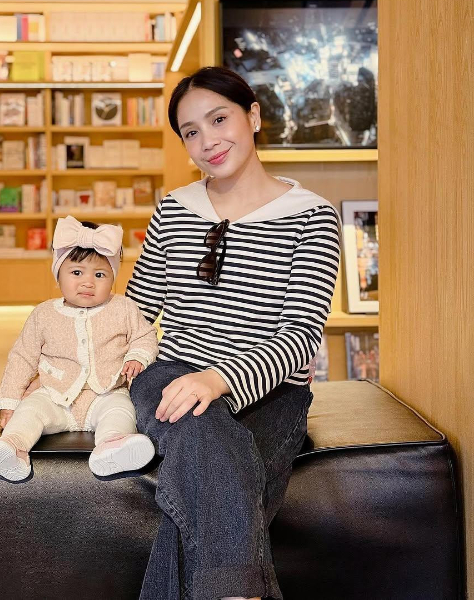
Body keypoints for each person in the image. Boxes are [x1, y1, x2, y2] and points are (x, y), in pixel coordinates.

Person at [126, 66, 341, 600]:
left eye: (218, 119)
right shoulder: (174, 208)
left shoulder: (311, 216)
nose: (207, 141)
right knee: (205, 434)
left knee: (221, 485)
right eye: (191, 132)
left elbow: (301, 337)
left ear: (254, 116)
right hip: (171, 376)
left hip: (269, 391)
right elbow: (136, 311)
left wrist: (219, 379)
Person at [0, 217, 159, 481]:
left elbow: (146, 336)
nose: (88, 282)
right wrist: (9, 402)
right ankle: (13, 449)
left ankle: (112, 448)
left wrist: (137, 356)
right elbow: (22, 358)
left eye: (99, 274)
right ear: (58, 275)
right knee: (30, 410)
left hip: (107, 392)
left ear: (112, 278)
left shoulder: (123, 308)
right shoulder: (43, 314)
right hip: (55, 395)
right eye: (76, 273)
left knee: (121, 412)